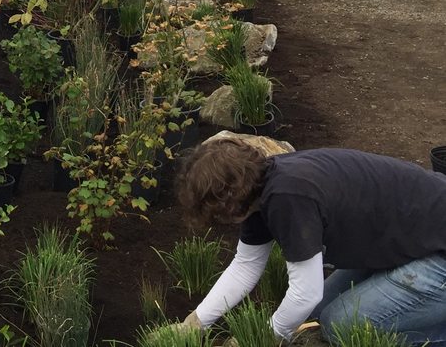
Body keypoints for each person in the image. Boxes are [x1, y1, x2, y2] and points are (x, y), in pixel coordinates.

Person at [173, 137, 446, 345]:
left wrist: (264, 337)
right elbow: (246, 264)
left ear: (228, 202)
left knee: (339, 326)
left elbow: (306, 293)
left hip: (439, 251)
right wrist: (198, 320)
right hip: (417, 237)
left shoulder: (288, 198)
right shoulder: (259, 189)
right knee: (316, 312)